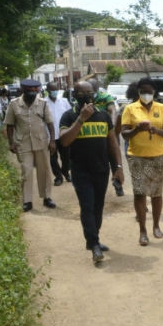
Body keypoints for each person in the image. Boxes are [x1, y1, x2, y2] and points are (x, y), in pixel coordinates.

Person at [59, 81, 125, 263]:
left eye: (90, 92)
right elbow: (64, 142)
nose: (87, 96)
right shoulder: (68, 116)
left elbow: (113, 144)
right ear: (75, 94)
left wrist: (118, 168)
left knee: (98, 207)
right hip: (81, 171)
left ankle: (93, 238)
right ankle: (94, 244)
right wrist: (80, 119)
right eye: (83, 93)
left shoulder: (103, 116)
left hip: (101, 170)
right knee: (87, 206)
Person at [120, 77, 163, 246]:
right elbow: (124, 134)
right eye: (143, 91)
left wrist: (155, 130)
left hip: (157, 155)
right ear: (138, 92)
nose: (146, 94)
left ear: (154, 92)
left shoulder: (162, 108)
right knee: (140, 193)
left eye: (150, 91)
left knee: (157, 194)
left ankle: (156, 225)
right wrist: (137, 129)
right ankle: (142, 230)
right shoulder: (130, 109)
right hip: (137, 156)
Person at [4, 79, 57, 212]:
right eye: (30, 91)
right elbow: (9, 125)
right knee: (26, 172)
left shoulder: (43, 104)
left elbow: (50, 123)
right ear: (23, 90)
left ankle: (47, 197)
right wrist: (11, 143)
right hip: (23, 143)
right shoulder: (14, 104)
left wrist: (52, 141)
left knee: (44, 170)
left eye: (35, 91)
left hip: (41, 142)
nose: (33, 93)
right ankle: (27, 201)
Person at [45, 82, 72, 186]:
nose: (55, 92)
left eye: (56, 89)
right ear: (48, 91)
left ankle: (66, 172)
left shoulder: (64, 101)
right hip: (50, 136)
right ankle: (58, 176)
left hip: (63, 134)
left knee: (67, 157)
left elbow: (70, 115)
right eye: (53, 90)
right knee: (53, 158)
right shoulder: (44, 103)